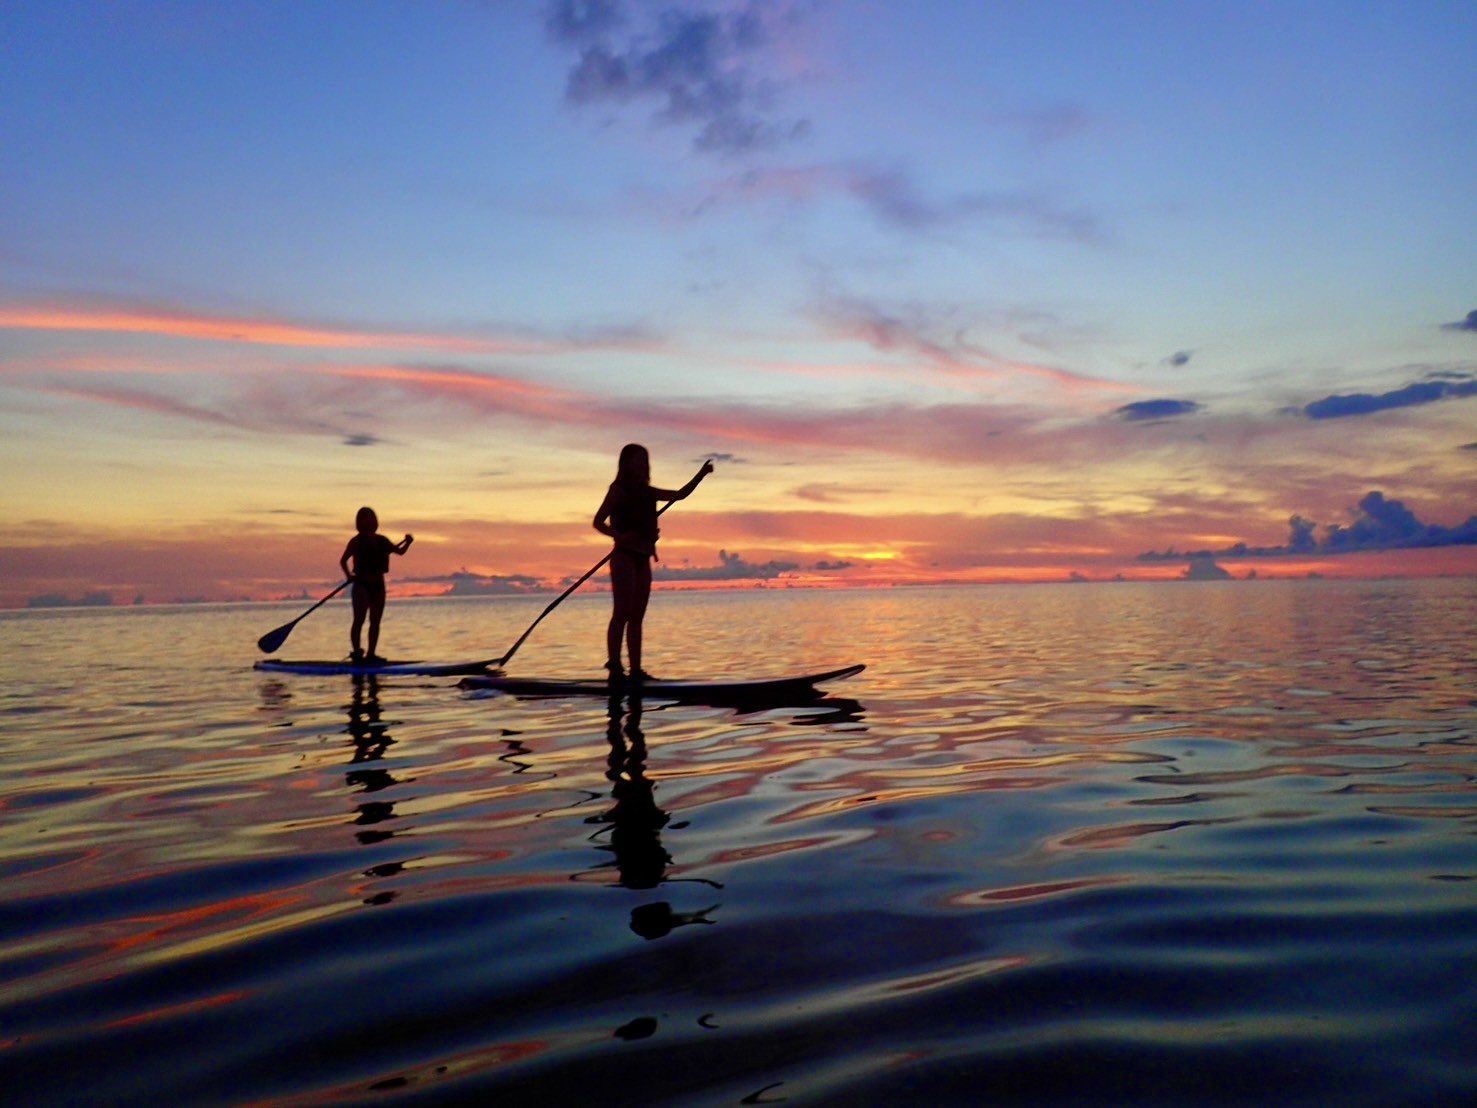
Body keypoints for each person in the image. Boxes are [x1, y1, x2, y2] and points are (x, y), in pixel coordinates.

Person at [593, 446, 712, 682]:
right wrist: (618, 535)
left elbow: (680, 495)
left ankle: (636, 670)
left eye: (644, 460)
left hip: (643, 558)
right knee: (622, 613)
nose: (642, 465)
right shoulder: (618, 490)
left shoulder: (648, 493)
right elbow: (598, 522)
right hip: (624, 557)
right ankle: (615, 666)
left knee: (637, 617)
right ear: (627, 464)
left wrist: (701, 474)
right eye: (638, 460)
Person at [339, 507, 413, 663]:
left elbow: (400, 552)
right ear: (359, 522)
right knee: (359, 619)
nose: (367, 522)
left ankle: (371, 653)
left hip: (378, 585)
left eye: (370, 518)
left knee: (375, 621)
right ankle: (357, 653)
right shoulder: (356, 541)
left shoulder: (382, 541)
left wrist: (408, 542)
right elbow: (343, 561)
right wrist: (349, 576)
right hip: (361, 584)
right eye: (364, 519)